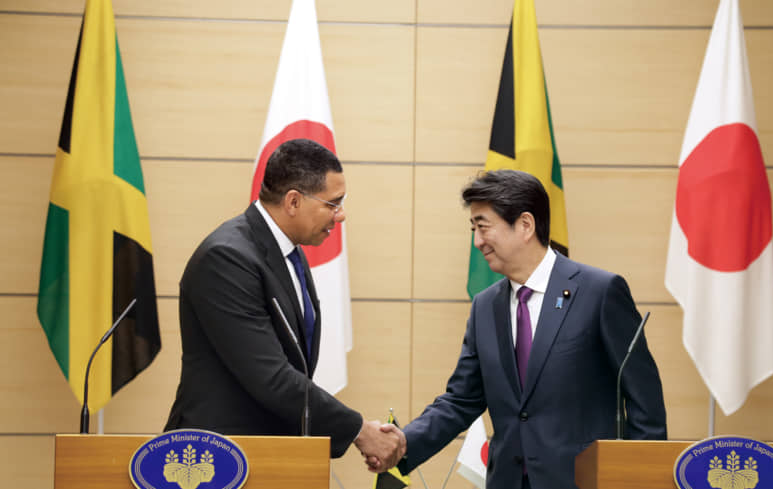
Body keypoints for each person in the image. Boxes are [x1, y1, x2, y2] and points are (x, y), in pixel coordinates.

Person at [383, 169, 666, 488]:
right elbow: (461, 399)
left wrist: (642, 476)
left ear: (525, 225)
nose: (477, 242)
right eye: (473, 228)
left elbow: (645, 401)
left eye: (483, 227)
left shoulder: (600, 292)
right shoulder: (485, 307)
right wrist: (403, 443)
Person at [164, 138, 405, 465]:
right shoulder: (226, 258)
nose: (341, 215)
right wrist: (359, 430)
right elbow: (270, 376)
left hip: (268, 455)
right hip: (215, 459)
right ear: (293, 201)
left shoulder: (290, 253)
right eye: (333, 204)